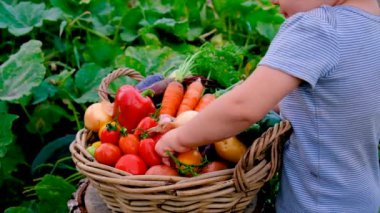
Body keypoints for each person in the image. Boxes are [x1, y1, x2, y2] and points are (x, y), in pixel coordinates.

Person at [155, 0, 380, 212]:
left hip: (314, 203)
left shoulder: (318, 27)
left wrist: (179, 138)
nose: (272, 1)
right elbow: (332, 100)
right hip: (360, 196)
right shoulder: (372, 28)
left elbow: (242, 108)